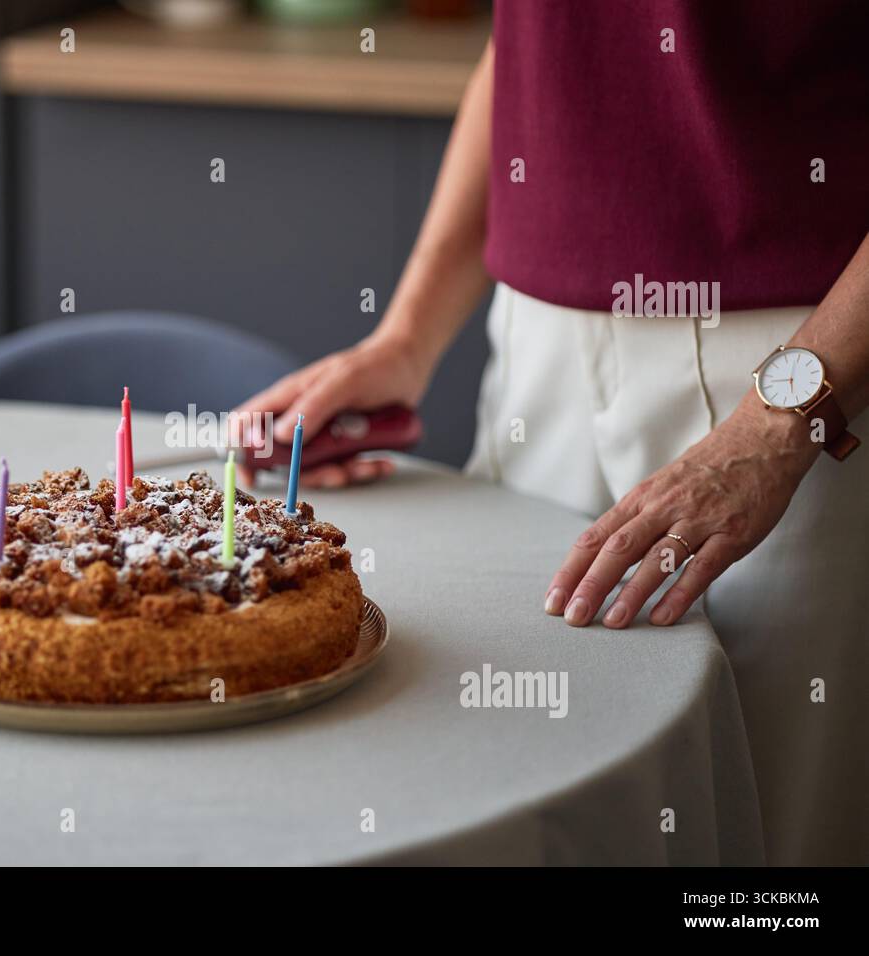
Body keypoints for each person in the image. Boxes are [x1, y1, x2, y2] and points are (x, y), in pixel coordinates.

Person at [233, 1, 868, 865]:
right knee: (520, 804)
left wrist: (775, 424)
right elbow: (530, 39)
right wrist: (408, 335)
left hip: (796, 370)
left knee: (775, 858)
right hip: (537, 349)